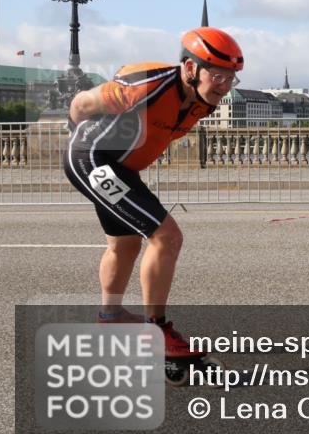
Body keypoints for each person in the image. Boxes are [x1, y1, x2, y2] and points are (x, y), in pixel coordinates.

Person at [63, 27, 243, 358]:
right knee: (167, 237)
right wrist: (79, 138)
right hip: (92, 158)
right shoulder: (147, 83)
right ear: (190, 68)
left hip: (120, 168)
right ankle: (156, 330)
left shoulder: (203, 102)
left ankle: (111, 317)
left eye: (232, 78)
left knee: (125, 243)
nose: (225, 86)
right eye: (218, 75)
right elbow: (82, 104)